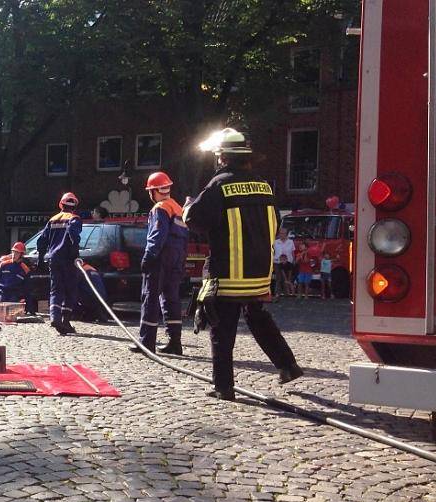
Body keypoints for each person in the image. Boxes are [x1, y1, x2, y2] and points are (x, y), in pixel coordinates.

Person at [184, 127, 304, 400]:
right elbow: (274, 225)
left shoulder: (218, 185)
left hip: (228, 275)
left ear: (223, 158)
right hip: (259, 275)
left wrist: (188, 206)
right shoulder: (265, 186)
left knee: (222, 329)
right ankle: (288, 365)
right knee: (258, 318)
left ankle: (223, 387)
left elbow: (197, 221)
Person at [129, 172, 188, 355]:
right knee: (171, 299)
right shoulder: (179, 209)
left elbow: (157, 235)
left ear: (153, 191)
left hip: (160, 258)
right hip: (176, 259)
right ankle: (175, 342)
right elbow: (185, 239)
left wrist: (148, 256)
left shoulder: (160, 208)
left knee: (150, 298)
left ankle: (147, 342)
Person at [37, 192, 82, 335]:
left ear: (61, 204)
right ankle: (65, 320)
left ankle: (55, 317)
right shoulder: (74, 219)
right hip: (68, 259)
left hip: (54, 259)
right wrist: (75, 254)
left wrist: (40, 257)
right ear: (74, 206)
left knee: (56, 289)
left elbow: (42, 240)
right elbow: (73, 235)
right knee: (70, 290)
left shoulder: (52, 220)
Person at [0, 242, 34, 312]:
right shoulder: (4, 265)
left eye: (17, 253)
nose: (14, 255)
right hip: (1, 293)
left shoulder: (25, 270)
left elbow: (27, 290)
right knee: (0, 305)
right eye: (13, 252)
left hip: (14, 295)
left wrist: (30, 308)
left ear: (21, 255)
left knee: (10, 308)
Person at [272, 228, 295, 299]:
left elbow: (292, 252)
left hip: (288, 263)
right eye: (280, 233)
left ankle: (287, 293)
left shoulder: (290, 242)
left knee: (287, 278)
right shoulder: (275, 242)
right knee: (278, 278)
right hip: (277, 262)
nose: (282, 235)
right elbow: (273, 252)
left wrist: (293, 260)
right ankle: (277, 293)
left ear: (287, 234)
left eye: (283, 233)